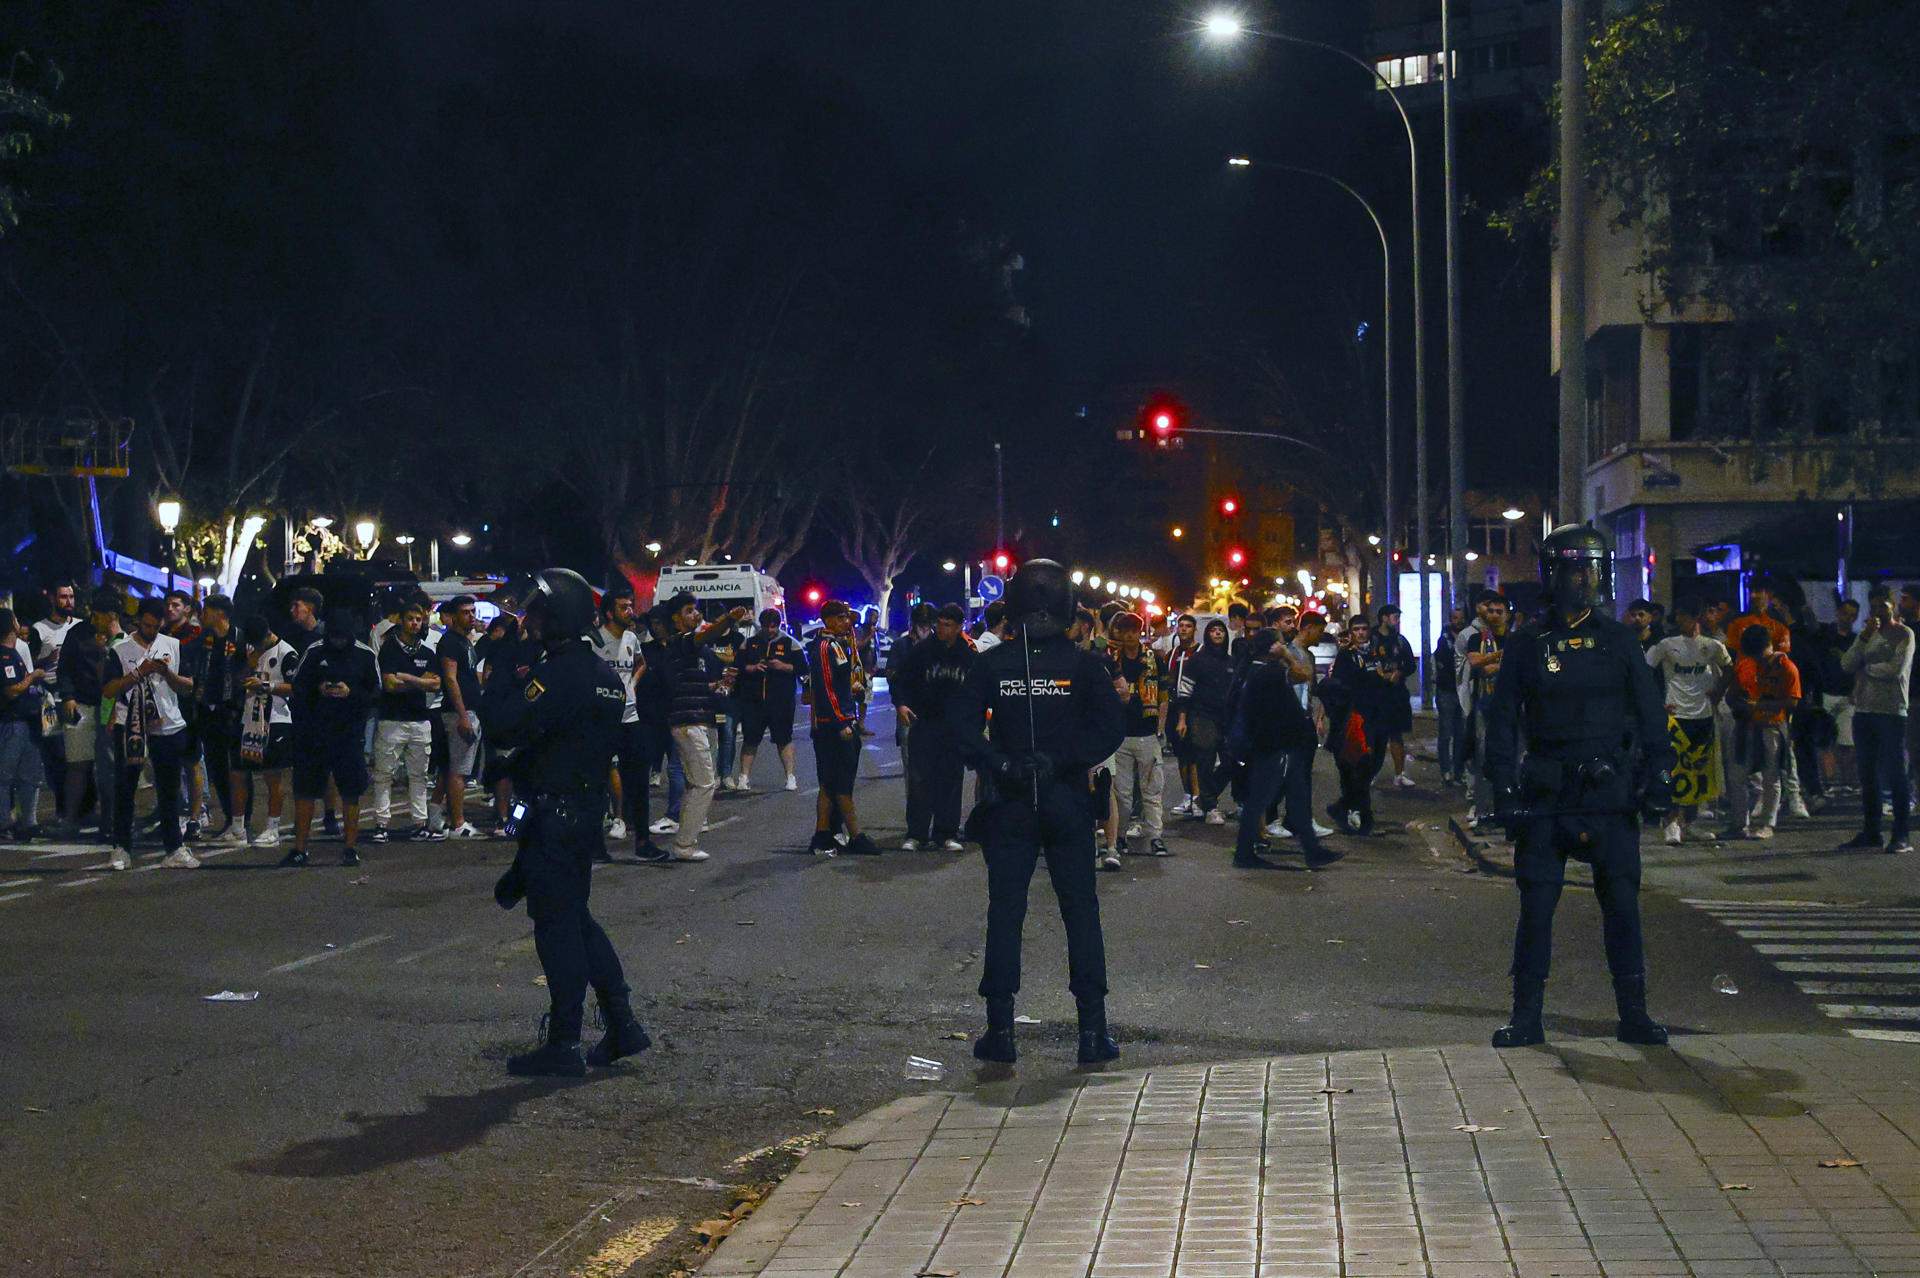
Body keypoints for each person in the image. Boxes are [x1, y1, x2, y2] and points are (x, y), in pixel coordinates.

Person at [1484, 524, 1676, 1049]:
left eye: (1590, 568)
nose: (1582, 579)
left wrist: (1660, 773)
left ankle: (1633, 1013)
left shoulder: (1619, 641)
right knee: (1537, 905)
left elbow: (1650, 713)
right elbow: (1502, 721)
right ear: (1553, 573)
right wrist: (1501, 788)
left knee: (1621, 903)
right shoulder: (1527, 643)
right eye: (1572, 568)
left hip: (1608, 789)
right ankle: (1526, 1016)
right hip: (1547, 788)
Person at [945, 560, 1124, 1065]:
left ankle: (1000, 1030)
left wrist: (998, 760)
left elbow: (958, 726)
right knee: (1080, 911)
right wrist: (1062, 759)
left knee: (1005, 911)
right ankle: (1092, 1031)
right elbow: (1110, 728)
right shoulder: (1086, 665)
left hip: (1009, 797)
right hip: (1065, 795)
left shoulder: (992, 664)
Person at [482, 568, 649, 1077]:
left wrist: (506, 662)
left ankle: (564, 1041)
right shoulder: (601, 674)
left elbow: (503, 721)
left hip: (553, 817)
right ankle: (620, 1024)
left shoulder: (555, 673)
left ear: (556, 618)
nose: (526, 620)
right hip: (580, 813)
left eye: (534, 612)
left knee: (556, 928)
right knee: (576, 918)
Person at [1227, 630, 1337, 870]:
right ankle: (1245, 853)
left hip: (1275, 744)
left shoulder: (1253, 670)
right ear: (1270, 648)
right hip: (1275, 744)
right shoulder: (1269, 671)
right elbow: (1304, 674)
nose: (1282, 645)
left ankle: (1312, 849)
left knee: (1295, 796)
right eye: (1278, 642)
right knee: (1260, 799)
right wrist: (1286, 654)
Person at [103, 598, 197, 870]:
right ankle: (121, 847)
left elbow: (188, 686)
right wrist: (137, 673)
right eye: (146, 625)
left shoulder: (173, 646)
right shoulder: (120, 650)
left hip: (167, 725)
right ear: (138, 621)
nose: (151, 630)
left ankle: (174, 847)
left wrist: (167, 673)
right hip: (130, 725)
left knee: (169, 789)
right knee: (125, 786)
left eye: (156, 627)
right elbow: (109, 689)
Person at [282, 608, 380, 867]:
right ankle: (300, 848)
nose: (337, 642)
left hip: (348, 734)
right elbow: (298, 687)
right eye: (333, 637)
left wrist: (351, 692)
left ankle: (350, 847)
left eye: (341, 637)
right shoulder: (315, 651)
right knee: (305, 790)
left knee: (351, 790)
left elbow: (376, 693)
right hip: (314, 732)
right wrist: (319, 689)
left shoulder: (365, 654)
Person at [661, 592, 748, 862]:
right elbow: (707, 635)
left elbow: (701, 685)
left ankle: (686, 840)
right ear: (676, 619)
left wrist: (721, 685)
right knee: (705, 784)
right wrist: (729, 619)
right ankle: (685, 844)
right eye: (689, 610)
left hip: (697, 721)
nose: (696, 615)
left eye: (696, 610)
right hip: (688, 723)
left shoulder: (696, 651)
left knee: (695, 784)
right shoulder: (681, 642)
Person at [1645, 599, 1732, 845]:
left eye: (1691, 616)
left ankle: (1690, 822)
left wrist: (1718, 693)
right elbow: (1644, 670)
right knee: (1675, 769)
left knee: (1698, 770)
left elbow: (1729, 669)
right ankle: (1671, 821)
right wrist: (1657, 702)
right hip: (1676, 716)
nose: (1687, 621)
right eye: (1683, 616)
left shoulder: (1712, 646)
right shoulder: (1666, 645)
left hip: (1703, 716)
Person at [893, 603, 973, 851]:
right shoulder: (922, 651)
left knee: (950, 779)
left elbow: (978, 689)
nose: (941, 628)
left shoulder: (968, 654)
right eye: (940, 623)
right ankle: (916, 833)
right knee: (920, 780)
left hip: (954, 727)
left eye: (948, 625)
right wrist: (901, 705)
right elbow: (901, 679)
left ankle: (946, 833)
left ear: (959, 627)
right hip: (924, 723)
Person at [1838, 591, 1912, 854]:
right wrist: (1863, 640)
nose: (1878, 610)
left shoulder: (1904, 634)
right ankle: (1872, 831)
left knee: (1895, 772)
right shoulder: (1866, 635)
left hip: (1891, 711)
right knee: (1867, 774)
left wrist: (1866, 668)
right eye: (1875, 606)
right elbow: (1847, 664)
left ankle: (1901, 834)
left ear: (1893, 607)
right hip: (1865, 710)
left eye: (1884, 606)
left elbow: (1895, 669)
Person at [807, 600, 879, 856]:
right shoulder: (825, 646)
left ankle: (824, 833)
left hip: (841, 719)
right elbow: (826, 688)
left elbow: (839, 684)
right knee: (840, 784)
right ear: (826, 620)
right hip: (831, 725)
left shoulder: (839, 644)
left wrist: (852, 688)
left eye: (847, 618)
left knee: (831, 783)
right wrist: (841, 722)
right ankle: (854, 835)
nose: (845, 622)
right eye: (839, 618)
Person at [368, 601, 442, 843]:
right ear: (401, 620)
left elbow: (435, 683)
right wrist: (420, 681)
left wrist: (407, 678)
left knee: (418, 775)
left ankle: (419, 823)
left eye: (418, 619)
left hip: (420, 720)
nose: (414, 623)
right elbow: (389, 684)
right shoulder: (389, 649)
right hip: (392, 721)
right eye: (410, 618)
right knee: (384, 774)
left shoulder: (426, 652)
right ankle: (381, 824)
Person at [1723, 623, 1800, 841]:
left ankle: (1768, 824)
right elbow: (1732, 694)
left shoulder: (1786, 666)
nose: (1758, 660)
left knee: (1771, 776)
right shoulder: (1746, 664)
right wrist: (1740, 705)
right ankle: (1739, 824)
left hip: (1773, 727)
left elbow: (1793, 701)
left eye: (1760, 656)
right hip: (1746, 726)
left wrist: (1760, 706)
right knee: (1737, 775)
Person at [55, 588, 121, 838]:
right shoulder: (78, 634)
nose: (102, 622)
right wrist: (68, 696)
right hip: (81, 705)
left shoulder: (120, 638)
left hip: (109, 708)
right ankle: (70, 818)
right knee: (77, 765)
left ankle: (110, 820)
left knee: (109, 768)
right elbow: (65, 668)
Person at [1104, 612, 1169, 857]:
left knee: (1152, 789)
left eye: (1134, 629)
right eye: (1125, 630)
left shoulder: (1154, 659)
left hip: (1146, 732)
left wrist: (1161, 728)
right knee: (1122, 793)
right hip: (1120, 734)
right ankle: (1119, 836)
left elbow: (1163, 696)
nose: (1130, 635)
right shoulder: (1111, 660)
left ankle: (1155, 835)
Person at [1321, 615, 1391, 834]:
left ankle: (1344, 807)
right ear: (1350, 633)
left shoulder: (1376, 654)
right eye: (1356, 630)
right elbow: (1342, 688)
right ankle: (1361, 815)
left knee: (1373, 764)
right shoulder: (1346, 657)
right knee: (1357, 766)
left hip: (1377, 716)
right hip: (1354, 720)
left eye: (1364, 629)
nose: (1361, 633)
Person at [191, 596, 250, 844]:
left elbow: (247, 670)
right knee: (216, 767)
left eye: (207, 610)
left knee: (239, 768)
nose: (203, 615)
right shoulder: (204, 640)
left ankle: (242, 820)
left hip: (234, 711)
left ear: (220, 613)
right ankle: (230, 816)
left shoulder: (239, 639)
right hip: (209, 711)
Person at [235, 614, 295, 846]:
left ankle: (273, 828)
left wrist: (267, 686)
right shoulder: (251, 650)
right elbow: (239, 678)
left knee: (273, 776)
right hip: (249, 719)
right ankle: (238, 828)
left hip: (276, 719)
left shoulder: (286, 653)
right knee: (239, 772)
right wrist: (249, 663)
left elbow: (295, 688)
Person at [591, 585, 644, 849]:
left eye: (631, 606)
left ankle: (627, 819)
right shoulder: (595, 641)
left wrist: (632, 682)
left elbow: (641, 663)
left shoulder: (631, 639)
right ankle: (610, 818)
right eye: (624, 607)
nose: (630, 611)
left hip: (630, 715)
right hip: (604, 717)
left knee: (632, 769)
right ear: (610, 613)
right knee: (605, 769)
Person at [1170, 618, 1234, 823]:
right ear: (1206, 634)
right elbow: (1185, 691)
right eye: (1213, 630)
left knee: (1232, 760)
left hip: (1226, 718)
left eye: (1220, 631)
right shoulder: (1197, 661)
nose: (1217, 634)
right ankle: (1211, 807)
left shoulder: (1231, 662)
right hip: (1202, 716)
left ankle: (1205, 798)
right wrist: (1182, 719)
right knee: (1205, 759)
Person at [1458, 590, 1511, 832]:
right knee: (1482, 756)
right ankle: (1483, 809)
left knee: (1510, 757)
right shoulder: (1474, 638)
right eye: (1491, 610)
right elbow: (1478, 665)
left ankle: (1506, 809)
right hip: (1483, 703)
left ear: (1507, 615)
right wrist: (1502, 657)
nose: (1494, 615)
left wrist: (1494, 662)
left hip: (1510, 706)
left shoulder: (1516, 638)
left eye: (1499, 611)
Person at [0, 607, 52, 841]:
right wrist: (34, 676)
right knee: (5, 775)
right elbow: (11, 690)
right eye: (16, 618)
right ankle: (4, 823)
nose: (19, 622)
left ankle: (28, 822)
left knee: (30, 774)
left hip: (29, 723)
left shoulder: (16, 652)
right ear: (10, 625)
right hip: (12, 723)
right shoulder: (4, 655)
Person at [736, 608, 801, 793]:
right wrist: (752, 668)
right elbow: (738, 666)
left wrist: (783, 666)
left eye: (774, 626)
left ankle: (790, 777)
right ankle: (743, 778)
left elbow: (803, 669)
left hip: (781, 702)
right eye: (766, 626)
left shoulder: (791, 643)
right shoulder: (749, 644)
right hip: (753, 701)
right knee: (750, 740)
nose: (770, 630)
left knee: (784, 739)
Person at [437, 596, 485, 840]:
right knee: (459, 770)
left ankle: (439, 818)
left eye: (473, 611)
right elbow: (450, 678)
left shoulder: (465, 642)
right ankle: (458, 823)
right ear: (454, 616)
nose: (471, 616)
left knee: (454, 769)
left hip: (468, 710)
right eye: (466, 612)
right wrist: (463, 714)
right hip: (459, 712)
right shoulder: (450, 643)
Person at [1371, 604, 1419, 788]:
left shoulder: (1400, 640)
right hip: (1376, 695)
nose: (1397, 621)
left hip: (1396, 694)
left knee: (1396, 734)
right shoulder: (1372, 639)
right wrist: (1378, 674)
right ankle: (1371, 772)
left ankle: (1399, 774)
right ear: (1384, 618)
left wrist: (1399, 672)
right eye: (1394, 617)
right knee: (1376, 737)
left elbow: (1410, 665)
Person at [1820, 597, 1860, 795]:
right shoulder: (1825, 636)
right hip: (1827, 692)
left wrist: (1855, 690)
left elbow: (1860, 667)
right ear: (1838, 613)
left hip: (1847, 696)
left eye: (1852, 615)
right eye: (1845, 613)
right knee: (1826, 741)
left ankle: (1846, 780)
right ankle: (1830, 781)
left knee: (1847, 741)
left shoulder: (1855, 640)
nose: (1848, 618)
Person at [1162, 615, 1201, 815]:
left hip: (1194, 710)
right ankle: (1187, 795)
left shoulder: (1200, 652)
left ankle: (1197, 797)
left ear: (1194, 629)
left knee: (1193, 755)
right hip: (1174, 708)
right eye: (1181, 626)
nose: (1184, 629)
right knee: (1181, 755)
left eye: (1188, 626)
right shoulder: (1171, 654)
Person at [1434, 606, 1466, 787]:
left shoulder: (1469, 637)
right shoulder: (1444, 639)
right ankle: (1446, 770)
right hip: (1446, 690)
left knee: (1461, 733)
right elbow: (1442, 663)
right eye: (1455, 617)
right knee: (1446, 732)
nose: (1458, 621)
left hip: (1462, 690)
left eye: (1461, 618)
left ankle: (1459, 771)